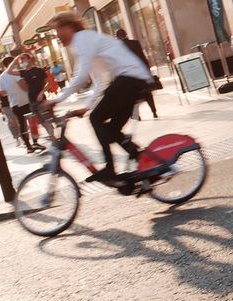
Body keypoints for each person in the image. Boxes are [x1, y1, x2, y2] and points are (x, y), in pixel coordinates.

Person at [44, 12, 153, 185]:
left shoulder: (82, 39)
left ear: (67, 27)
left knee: (96, 119)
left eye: (57, 30)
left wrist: (57, 99)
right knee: (111, 130)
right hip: (132, 80)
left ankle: (110, 169)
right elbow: (101, 80)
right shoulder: (87, 40)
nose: (57, 36)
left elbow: (82, 75)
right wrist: (86, 106)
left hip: (129, 79)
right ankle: (145, 163)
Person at [114, 29, 160, 118]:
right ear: (126, 34)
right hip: (141, 73)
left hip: (129, 75)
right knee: (147, 93)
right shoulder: (135, 43)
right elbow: (143, 58)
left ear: (118, 37)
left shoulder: (117, 47)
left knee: (132, 96)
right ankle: (154, 112)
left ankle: (137, 116)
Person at [0, 60, 42, 153]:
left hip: (14, 103)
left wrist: (11, 92)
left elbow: (2, 93)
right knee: (32, 122)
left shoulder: (1, 77)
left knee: (22, 125)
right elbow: (23, 85)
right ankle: (35, 142)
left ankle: (28, 146)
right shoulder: (15, 72)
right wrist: (30, 90)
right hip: (25, 100)